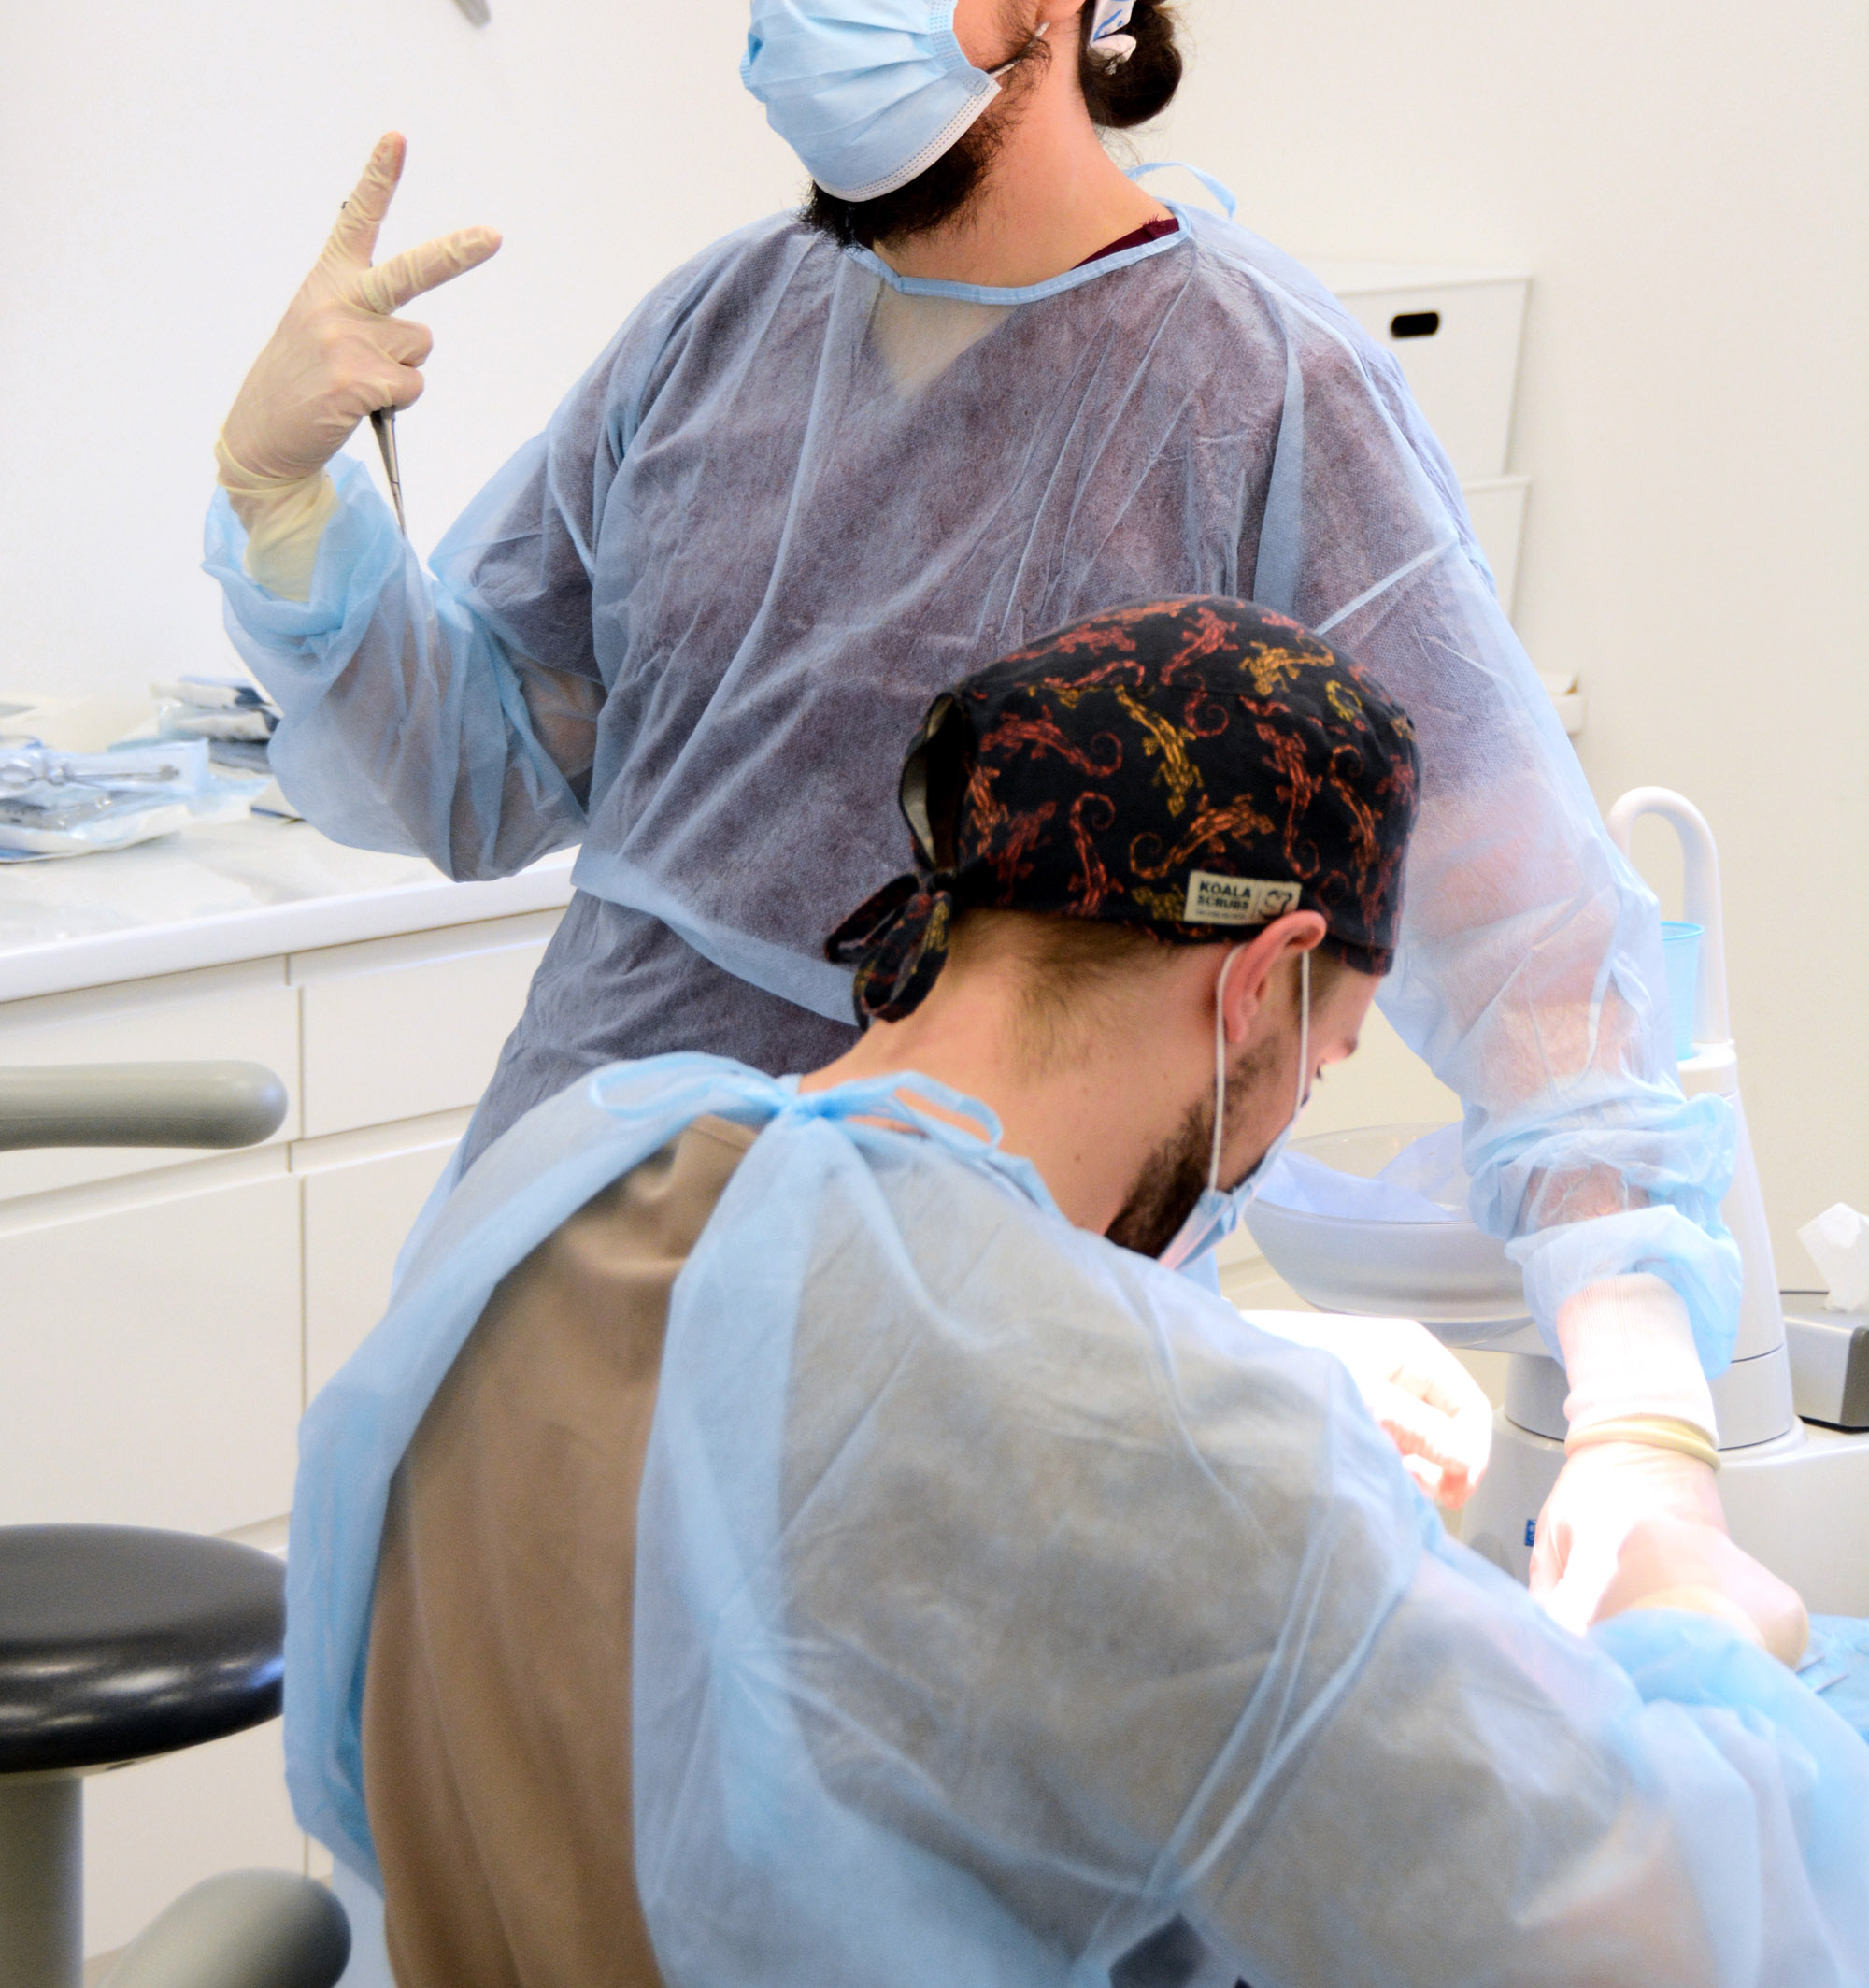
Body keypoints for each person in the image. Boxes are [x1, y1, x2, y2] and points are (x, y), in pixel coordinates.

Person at [212, 0, 1739, 1627]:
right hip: (573, 1289)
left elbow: (1521, 935)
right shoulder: (712, 333)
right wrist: (288, 503)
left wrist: (1644, 1417)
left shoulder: (1259, 390)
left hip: (988, 1379)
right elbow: (482, 770)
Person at [286, 603, 1861, 1988]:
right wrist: (1696, 1616)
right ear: (1261, 977)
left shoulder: (570, 1172)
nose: (1289, 1110)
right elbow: (1644, 1937)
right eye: (1319, 1065)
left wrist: (1220, 1379)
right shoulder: (1157, 1446)